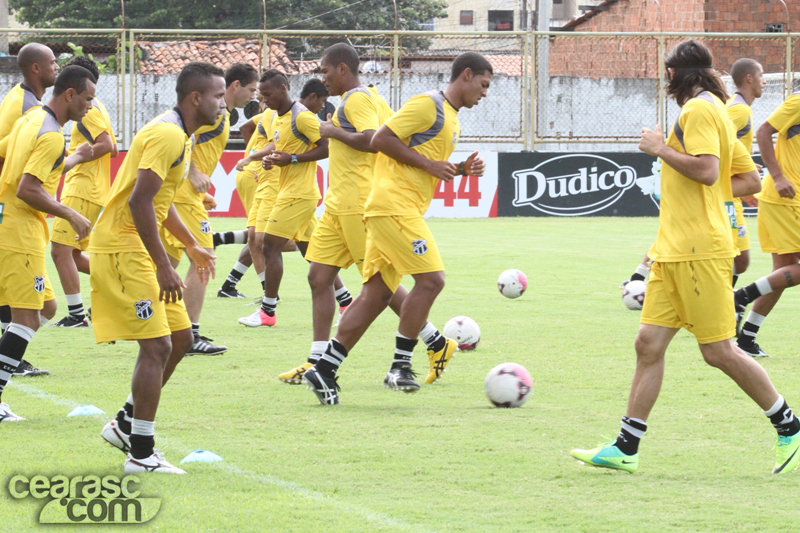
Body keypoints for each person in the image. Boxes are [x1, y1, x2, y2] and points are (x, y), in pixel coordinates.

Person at [571, 40, 800, 475]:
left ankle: (789, 426)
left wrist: (659, 148)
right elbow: (748, 178)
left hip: (699, 252)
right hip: (674, 252)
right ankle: (626, 446)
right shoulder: (714, 108)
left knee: (719, 351)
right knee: (648, 344)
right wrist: (701, 193)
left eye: (666, 71)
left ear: (675, 73)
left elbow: (709, 170)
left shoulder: (697, 111)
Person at [301, 51, 491, 405]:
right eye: (483, 84)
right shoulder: (428, 104)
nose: (485, 93)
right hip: (394, 207)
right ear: (466, 75)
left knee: (376, 295)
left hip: (390, 208)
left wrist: (459, 169)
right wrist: (431, 165)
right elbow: (380, 140)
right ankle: (401, 364)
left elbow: (423, 162)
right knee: (432, 280)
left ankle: (323, 369)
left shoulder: (449, 116)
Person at [279, 43, 455, 389]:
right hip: (337, 205)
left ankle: (434, 341)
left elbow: (373, 139)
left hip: (359, 204)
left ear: (343, 69)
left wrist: (332, 132)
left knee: (379, 289)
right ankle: (316, 360)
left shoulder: (358, 99)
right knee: (319, 277)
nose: (323, 78)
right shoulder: (368, 97)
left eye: (326, 71)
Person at [93, 62, 221, 473]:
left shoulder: (181, 136)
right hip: (123, 247)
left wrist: (192, 246)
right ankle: (141, 454)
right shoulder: (168, 134)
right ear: (195, 98)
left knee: (181, 339)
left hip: (138, 246)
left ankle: (126, 423)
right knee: (157, 346)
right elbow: (138, 202)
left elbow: (160, 204)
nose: (224, 105)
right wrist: (166, 264)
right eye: (218, 96)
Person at [0, 65, 96, 421]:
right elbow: (28, 188)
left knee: (40, 310)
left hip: (8, 225)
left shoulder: (31, 119)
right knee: (27, 319)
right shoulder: (52, 133)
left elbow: (11, 159)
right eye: (87, 99)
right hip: (19, 232)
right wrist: (70, 213)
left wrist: (74, 158)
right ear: (69, 94)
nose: (89, 107)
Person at [161, 63, 258, 355]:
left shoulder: (222, 115)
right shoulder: (214, 115)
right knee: (202, 259)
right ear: (235, 85)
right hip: (183, 194)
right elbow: (183, 136)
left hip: (186, 195)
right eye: (251, 90)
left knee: (168, 260)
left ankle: (140, 313)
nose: (253, 97)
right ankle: (190, 335)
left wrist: (200, 189)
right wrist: (191, 174)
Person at [236, 72, 330, 328]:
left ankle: (268, 311)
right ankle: (345, 301)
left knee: (269, 244)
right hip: (289, 190)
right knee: (314, 254)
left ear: (283, 88)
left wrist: (293, 159)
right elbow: (280, 149)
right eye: (261, 96)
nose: (263, 101)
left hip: (298, 194)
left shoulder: (303, 117)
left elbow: (326, 146)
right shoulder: (278, 118)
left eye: (267, 95)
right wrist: (269, 159)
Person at [0, 42, 60, 377]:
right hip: (15, 216)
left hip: (18, 216)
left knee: (45, 308)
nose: (56, 66)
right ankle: (11, 358)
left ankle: (10, 353)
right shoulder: (26, 107)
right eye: (52, 62)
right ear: (35, 68)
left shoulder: (28, 104)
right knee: (28, 314)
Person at [733, 62, 800, 358]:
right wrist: (778, 176)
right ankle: (741, 296)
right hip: (787, 198)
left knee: (783, 273)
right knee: (787, 272)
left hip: (790, 200)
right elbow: (763, 132)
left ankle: (746, 338)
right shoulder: (798, 101)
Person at [49, 57, 118, 328]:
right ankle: (117, 280)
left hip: (82, 188)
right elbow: (112, 148)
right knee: (74, 255)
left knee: (59, 251)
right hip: (91, 188)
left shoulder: (89, 109)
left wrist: (74, 158)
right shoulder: (96, 106)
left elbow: (106, 145)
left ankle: (77, 315)